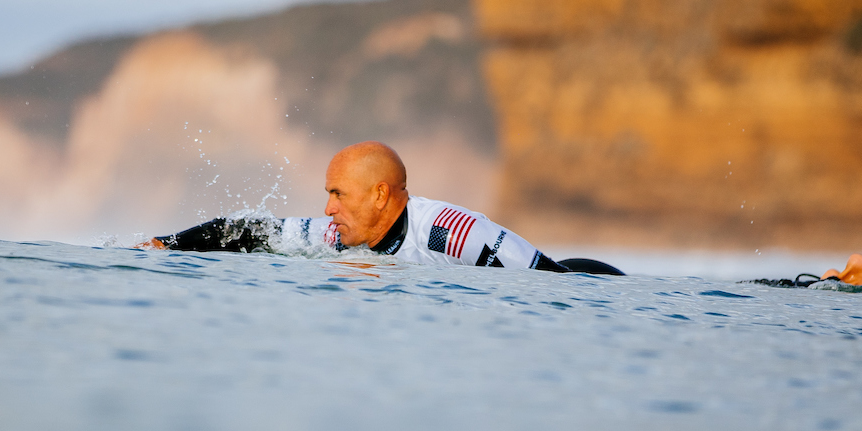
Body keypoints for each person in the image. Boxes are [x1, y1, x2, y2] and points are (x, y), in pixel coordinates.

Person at [141, 141, 623, 275]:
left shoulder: (451, 233)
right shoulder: (338, 235)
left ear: (379, 195)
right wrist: (169, 245)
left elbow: (552, 285)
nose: (327, 209)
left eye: (337, 195)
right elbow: (247, 232)